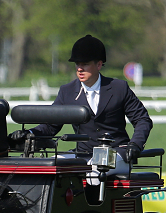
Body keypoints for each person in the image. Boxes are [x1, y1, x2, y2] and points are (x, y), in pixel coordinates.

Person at [9, 34, 152, 163]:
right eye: (77, 64)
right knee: (49, 167)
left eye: (85, 64)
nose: (79, 69)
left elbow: (142, 119)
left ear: (99, 64)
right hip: (82, 154)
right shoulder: (67, 92)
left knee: (95, 169)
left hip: (117, 153)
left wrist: (135, 144)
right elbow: (50, 126)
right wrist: (30, 133)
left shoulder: (119, 88)